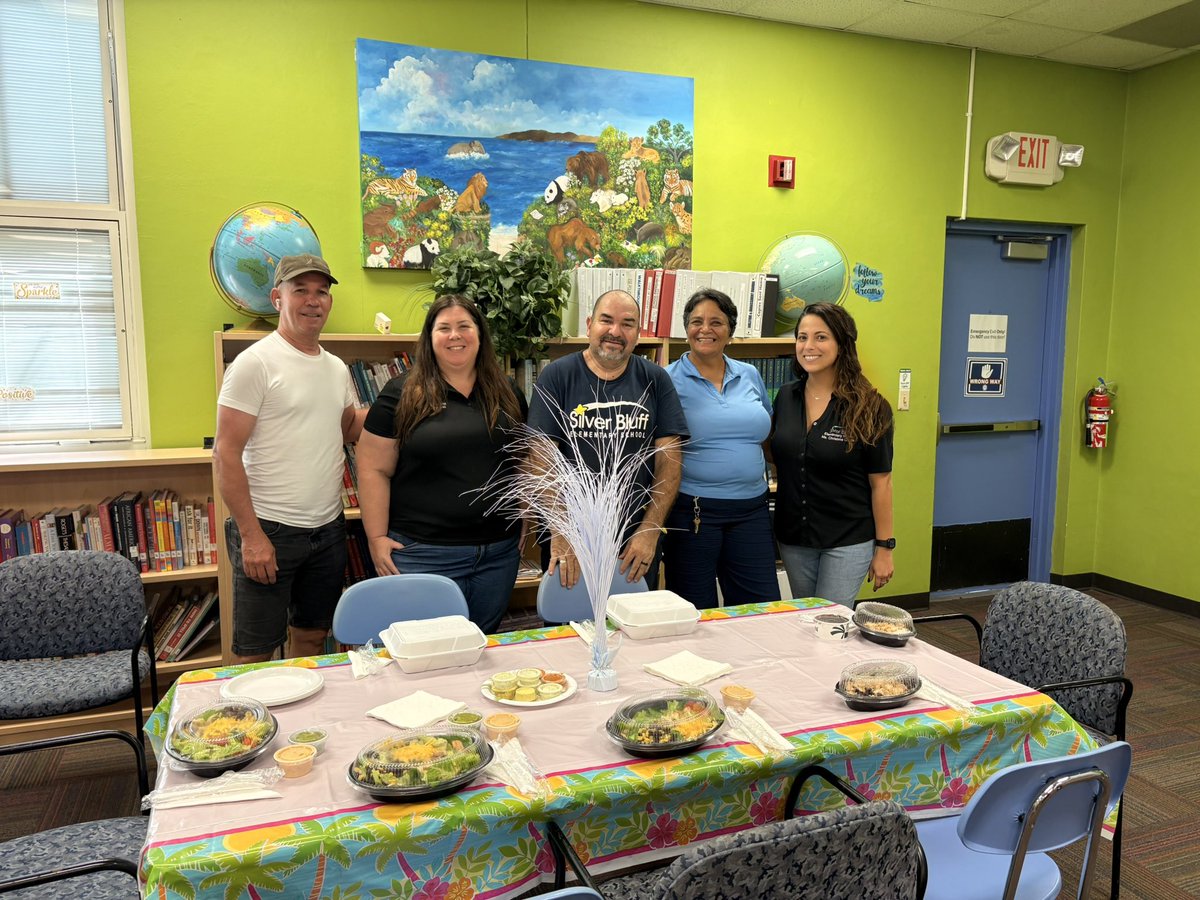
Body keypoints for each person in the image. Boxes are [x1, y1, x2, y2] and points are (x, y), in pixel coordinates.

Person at [214, 253, 364, 664]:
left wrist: (407, 401)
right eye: (301, 291)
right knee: (255, 655)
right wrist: (251, 536)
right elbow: (225, 454)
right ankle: (254, 729)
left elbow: (348, 428)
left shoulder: (335, 368)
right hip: (270, 531)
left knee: (313, 642)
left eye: (322, 292)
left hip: (328, 530)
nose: (313, 301)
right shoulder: (254, 363)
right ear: (277, 297)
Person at [356, 295, 527, 634]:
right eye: (444, 328)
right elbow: (373, 468)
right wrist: (375, 537)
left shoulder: (508, 391)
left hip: (497, 554)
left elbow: (520, 460)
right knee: (429, 654)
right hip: (424, 554)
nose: (455, 335)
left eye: (464, 326)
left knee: (483, 649)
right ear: (429, 337)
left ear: (480, 334)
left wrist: (523, 515)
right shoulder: (400, 393)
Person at [529, 289, 687, 591]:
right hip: (570, 538)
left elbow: (670, 461)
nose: (615, 332)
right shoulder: (556, 377)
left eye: (627, 324)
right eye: (606, 320)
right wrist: (561, 533)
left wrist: (650, 531)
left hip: (634, 541)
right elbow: (541, 458)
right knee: (570, 628)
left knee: (632, 629)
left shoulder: (656, 379)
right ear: (589, 324)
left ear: (637, 334)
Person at [770, 302, 894, 605]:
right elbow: (778, 455)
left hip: (847, 540)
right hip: (794, 538)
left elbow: (882, 483)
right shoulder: (786, 396)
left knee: (832, 624)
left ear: (842, 343)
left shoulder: (871, 406)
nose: (808, 346)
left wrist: (885, 548)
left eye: (821, 337)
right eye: (802, 337)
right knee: (803, 620)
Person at [663, 288, 780, 609]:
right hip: (693, 513)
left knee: (760, 611)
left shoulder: (750, 374)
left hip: (753, 511)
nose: (705, 329)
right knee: (693, 611)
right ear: (685, 328)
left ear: (730, 330)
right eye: (697, 321)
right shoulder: (666, 380)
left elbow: (766, 433)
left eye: (716, 322)